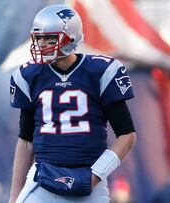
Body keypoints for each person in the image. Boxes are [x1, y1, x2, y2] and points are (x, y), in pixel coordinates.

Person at [8, 4, 136, 203]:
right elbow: (26, 141)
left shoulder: (100, 71)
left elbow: (127, 135)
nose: (41, 45)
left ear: (71, 38)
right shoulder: (29, 76)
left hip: (89, 180)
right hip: (42, 180)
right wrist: (14, 196)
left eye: (49, 38)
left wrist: (96, 174)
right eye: (38, 38)